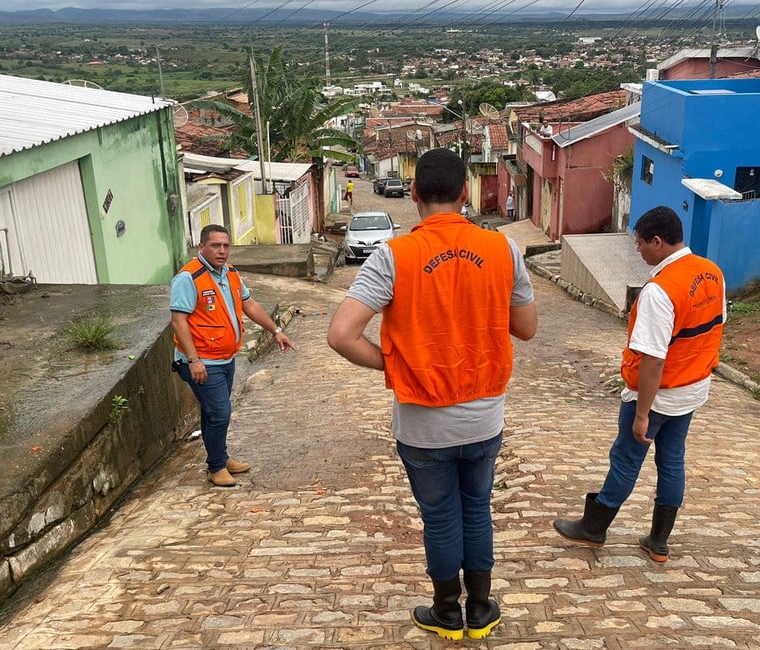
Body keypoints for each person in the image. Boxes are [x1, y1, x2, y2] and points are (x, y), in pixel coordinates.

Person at [327, 148, 537, 641]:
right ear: (466, 194)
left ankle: (447, 613)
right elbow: (525, 328)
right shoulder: (502, 249)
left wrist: (394, 361)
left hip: (423, 423)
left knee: (441, 518)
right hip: (484, 416)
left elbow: (341, 335)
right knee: (477, 509)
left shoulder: (392, 257)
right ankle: (481, 610)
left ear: (415, 193)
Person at [553, 205, 725, 563]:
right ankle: (658, 541)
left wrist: (642, 413)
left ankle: (594, 528)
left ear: (658, 242)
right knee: (673, 460)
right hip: (692, 388)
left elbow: (653, 358)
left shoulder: (660, 291)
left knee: (626, 459)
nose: (638, 250)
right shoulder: (712, 273)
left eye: (641, 244)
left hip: (657, 393)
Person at [170, 225, 297, 488]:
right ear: (201, 247)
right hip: (201, 361)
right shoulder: (188, 278)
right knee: (220, 412)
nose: (222, 251)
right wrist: (193, 360)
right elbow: (178, 320)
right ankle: (216, 467)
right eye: (215, 245)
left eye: (226, 245)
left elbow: (248, 304)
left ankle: (220, 458)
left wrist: (275, 330)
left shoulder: (231, 274)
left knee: (212, 412)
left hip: (225, 358)